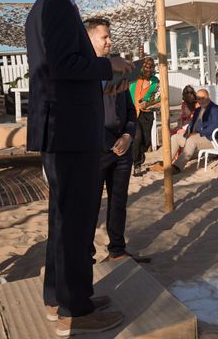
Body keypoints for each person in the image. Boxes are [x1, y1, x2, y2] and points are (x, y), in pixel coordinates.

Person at [25, 0, 130, 335]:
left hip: (62, 128)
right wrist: (110, 65)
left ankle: (59, 298)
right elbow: (65, 64)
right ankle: (77, 313)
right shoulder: (55, 5)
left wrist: (101, 80)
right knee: (76, 222)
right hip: (70, 131)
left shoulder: (47, 6)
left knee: (63, 219)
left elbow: (60, 70)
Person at [86, 19, 138, 263]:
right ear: (90, 39)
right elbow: (81, 115)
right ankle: (86, 256)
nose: (109, 41)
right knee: (90, 207)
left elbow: (130, 111)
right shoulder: (84, 74)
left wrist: (128, 136)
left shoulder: (119, 73)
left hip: (123, 148)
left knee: (119, 202)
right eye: (104, 37)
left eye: (109, 37)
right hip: (95, 150)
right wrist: (110, 143)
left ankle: (117, 249)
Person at [160, 89, 218, 173]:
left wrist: (197, 133)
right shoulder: (197, 110)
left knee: (192, 140)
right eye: (198, 98)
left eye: (202, 98)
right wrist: (187, 133)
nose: (200, 100)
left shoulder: (215, 109)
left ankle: (177, 167)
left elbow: (214, 127)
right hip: (197, 138)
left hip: (213, 139)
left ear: (208, 97)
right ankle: (166, 163)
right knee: (175, 138)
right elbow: (191, 124)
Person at [129, 57, 160, 176]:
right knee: (137, 138)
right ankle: (136, 165)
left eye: (150, 68)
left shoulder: (155, 82)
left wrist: (148, 103)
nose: (148, 70)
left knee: (146, 141)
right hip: (132, 112)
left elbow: (160, 98)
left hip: (147, 113)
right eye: (146, 67)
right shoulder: (134, 80)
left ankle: (138, 157)